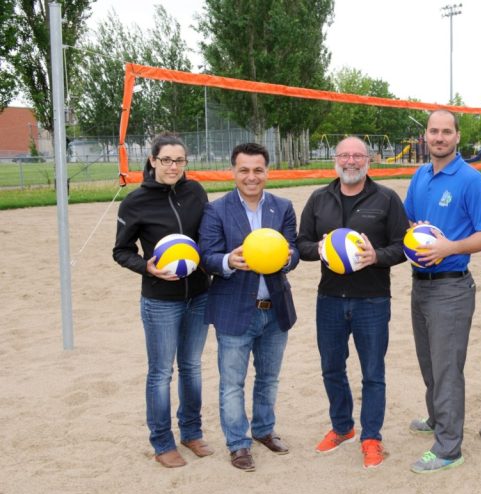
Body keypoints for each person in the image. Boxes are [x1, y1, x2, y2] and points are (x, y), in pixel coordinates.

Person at [296, 136, 409, 469]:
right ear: (336, 159)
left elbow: (404, 247)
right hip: (329, 298)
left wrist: (377, 256)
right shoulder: (319, 199)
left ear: (368, 160)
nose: (350, 161)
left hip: (372, 300)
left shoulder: (386, 199)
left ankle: (371, 437)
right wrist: (318, 249)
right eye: (344, 155)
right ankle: (342, 427)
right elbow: (300, 244)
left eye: (357, 156)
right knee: (332, 368)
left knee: (373, 372)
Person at [404, 109, 481, 473]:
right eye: (433, 131)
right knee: (429, 362)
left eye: (446, 132)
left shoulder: (472, 180)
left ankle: (448, 448)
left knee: (447, 368)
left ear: (457, 136)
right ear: (425, 136)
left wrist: (448, 248)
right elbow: (410, 220)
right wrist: (416, 231)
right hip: (420, 285)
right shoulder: (421, 174)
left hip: (451, 288)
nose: (439, 137)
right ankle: (436, 417)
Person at [198, 142, 299, 472]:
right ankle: (238, 444)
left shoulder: (282, 207)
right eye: (244, 170)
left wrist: (288, 258)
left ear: (267, 172)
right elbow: (207, 256)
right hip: (233, 309)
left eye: (258, 170)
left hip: (275, 308)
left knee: (268, 379)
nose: (251, 177)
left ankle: (264, 430)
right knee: (232, 383)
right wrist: (229, 260)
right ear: (233, 172)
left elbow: (293, 251)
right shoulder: (217, 210)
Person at [113, 132, 212, 468]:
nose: (173, 166)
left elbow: (209, 235)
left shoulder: (196, 191)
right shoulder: (135, 202)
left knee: (192, 368)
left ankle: (191, 432)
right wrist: (148, 268)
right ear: (152, 160)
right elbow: (121, 251)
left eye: (180, 160)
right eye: (167, 160)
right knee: (160, 373)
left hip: (199, 295)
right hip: (160, 301)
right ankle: (161, 442)